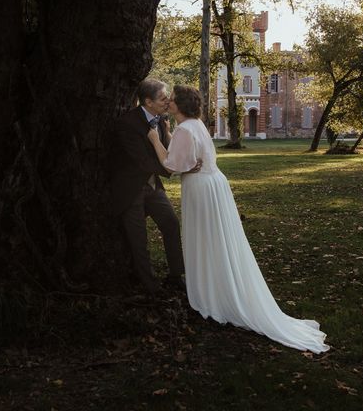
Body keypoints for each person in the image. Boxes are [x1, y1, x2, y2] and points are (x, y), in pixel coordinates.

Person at [147, 85, 329, 353]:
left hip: (201, 188)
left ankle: (210, 295)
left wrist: (154, 139)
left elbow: (172, 166)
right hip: (213, 184)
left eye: (172, 101)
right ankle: (215, 285)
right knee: (216, 239)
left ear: (181, 105)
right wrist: (170, 137)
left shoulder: (187, 128)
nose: (169, 103)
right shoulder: (195, 125)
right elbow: (185, 150)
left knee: (205, 239)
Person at [111, 78, 198, 295]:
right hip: (131, 189)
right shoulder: (127, 124)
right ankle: (150, 286)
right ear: (148, 102)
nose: (167, 100)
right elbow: (143, 161)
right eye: (162, 97)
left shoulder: (160, 119)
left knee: (170, 223)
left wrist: (184, 160)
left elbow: (167, 148)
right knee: (139, 239)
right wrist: (174, 170)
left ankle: (176, 276)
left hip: (152, 186)